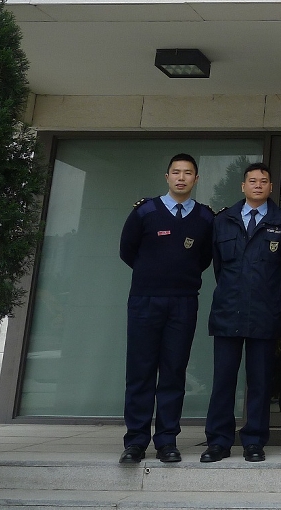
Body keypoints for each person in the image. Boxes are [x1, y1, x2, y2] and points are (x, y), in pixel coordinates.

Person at [117, 154, 215, 465]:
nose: (181, 178)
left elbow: (204, 258)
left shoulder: (205, 217)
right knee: (140, 372)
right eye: (176, 172)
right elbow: (127, 250)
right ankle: (135, 441)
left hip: (183, 301)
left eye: (188, 173)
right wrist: (153, 274)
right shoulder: (145, 211)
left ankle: (167, 440)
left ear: (196, 179)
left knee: (174, 371)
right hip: (145, 300)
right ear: (167, 176)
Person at [201, 163, 281, 463]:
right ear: (243, 186)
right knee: (223, 381)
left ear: (271, 187)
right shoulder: (223, 220)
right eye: (252, 181)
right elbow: (219, 267)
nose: (257, 185)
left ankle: (254, 441)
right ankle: (218, 441)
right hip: (228, 310)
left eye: (263, 181)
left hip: (264, 313)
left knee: (260, 382)